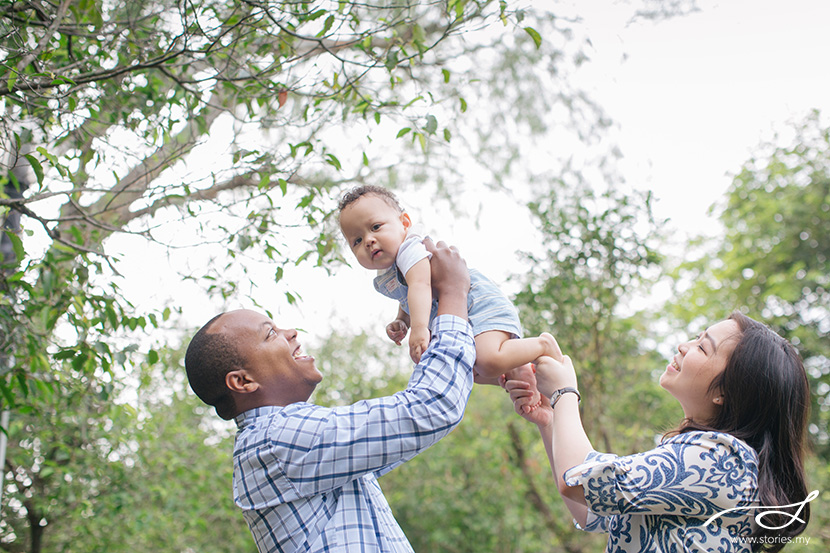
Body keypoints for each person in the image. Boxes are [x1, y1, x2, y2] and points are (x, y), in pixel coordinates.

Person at [185, 239, 477, 553]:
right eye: (270, 333)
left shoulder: (285, 446)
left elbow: (411, 426)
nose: (291, 332)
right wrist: (452, 294)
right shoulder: (277, 440)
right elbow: (429, 409)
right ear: (242, 381)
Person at [505, 312, 812, 552]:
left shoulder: (722, 458)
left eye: (703, 347)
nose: (684, 346)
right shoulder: (704, 457)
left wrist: (564, 392)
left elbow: (581, 483)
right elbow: (593, 514)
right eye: (696, 337)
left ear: (727, 391)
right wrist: (551, 419)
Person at [338, 184, 556, 410]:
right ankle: (513, 369)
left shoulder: (410, 248)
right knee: (466, 369)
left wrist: (419, 328)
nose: (368, 240)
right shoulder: (388, 274)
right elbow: (408, 298)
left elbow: (420, 284)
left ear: (404, 223)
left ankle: (542, 345)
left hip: (477, 305)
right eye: (357, 240)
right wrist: (402, 319)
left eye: (375, 227)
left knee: (488, 361)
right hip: (461, 316)